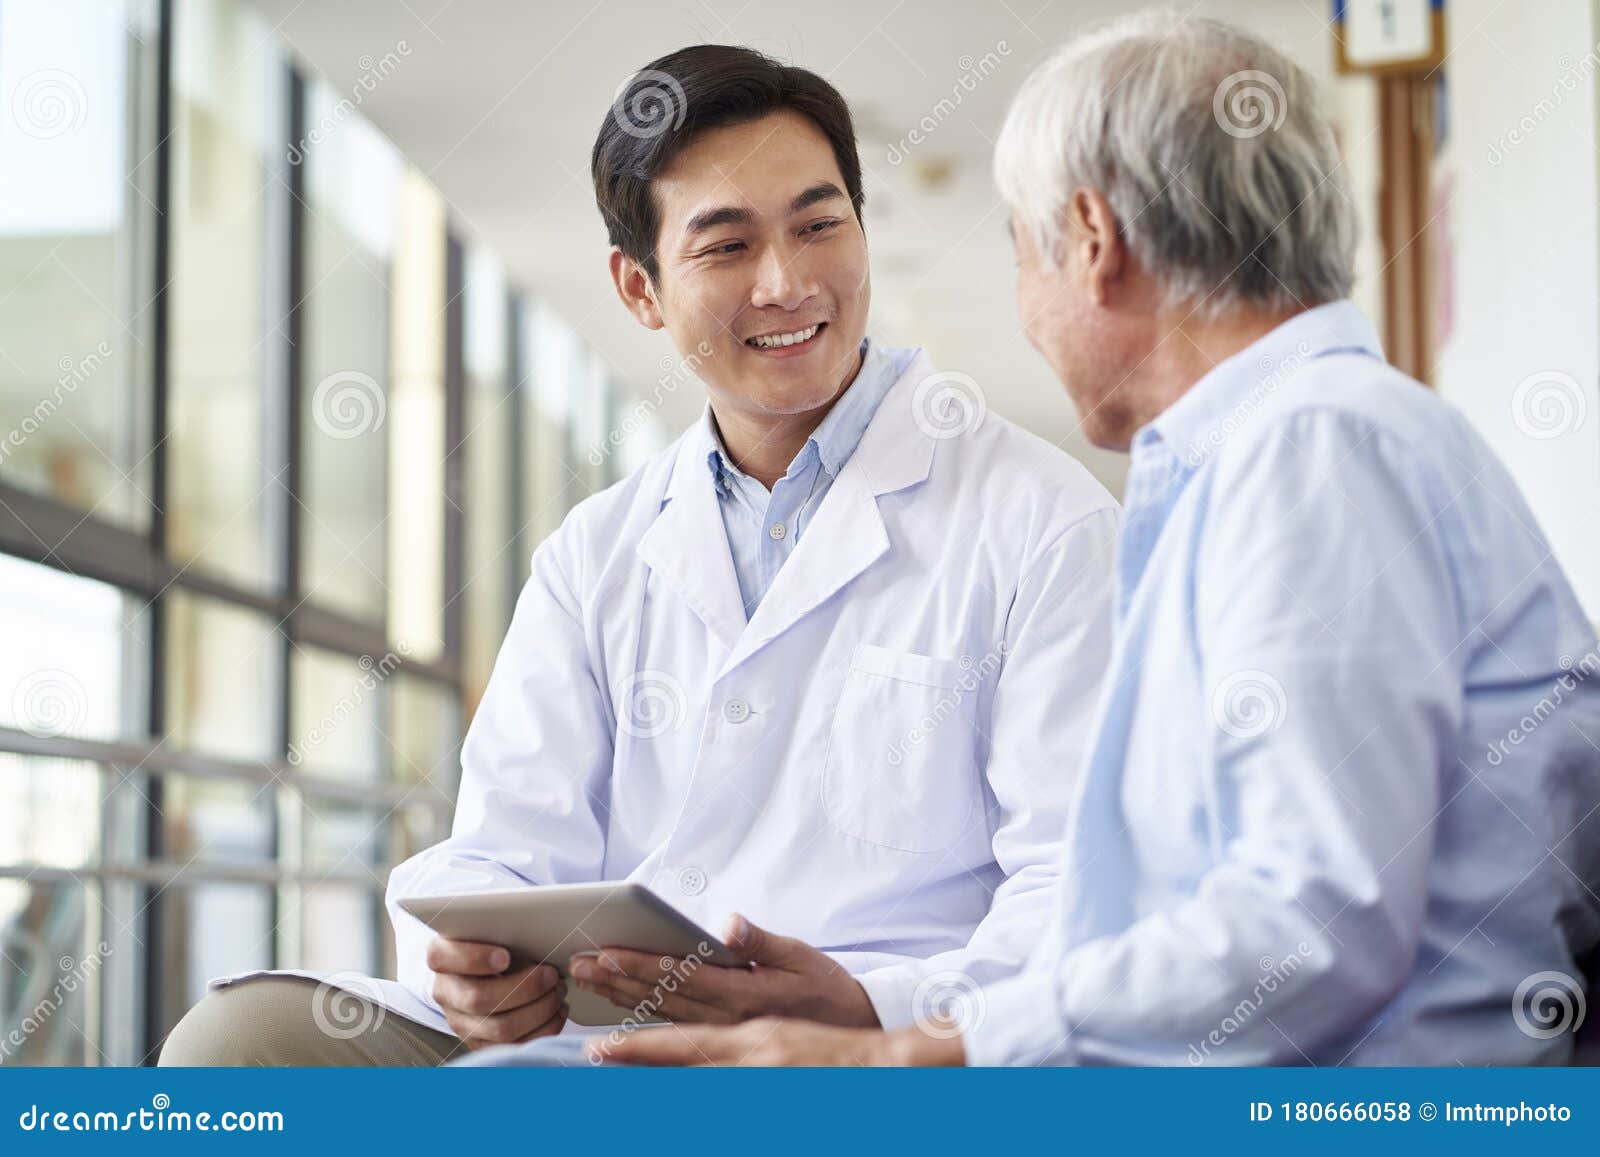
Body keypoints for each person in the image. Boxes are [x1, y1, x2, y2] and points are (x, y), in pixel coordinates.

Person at [587, 11, 1600, 1068]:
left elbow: (1307, 931)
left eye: (1023, 253)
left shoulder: (1314, 449)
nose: (1028, 308)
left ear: (1094, 240)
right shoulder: (1288, 452)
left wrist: (899, 1053)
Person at [159, 44, 1119, 1066]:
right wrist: (477, 969)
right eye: (726, 246)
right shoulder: (595, 551)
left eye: (819, 224)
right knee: (239, 1041)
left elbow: (1082, 883)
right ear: (639, 287)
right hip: (612, 1038)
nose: (787, 282)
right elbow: (504, 844)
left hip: (882, 1050)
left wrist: (872, 1005)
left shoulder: (1042, 519)